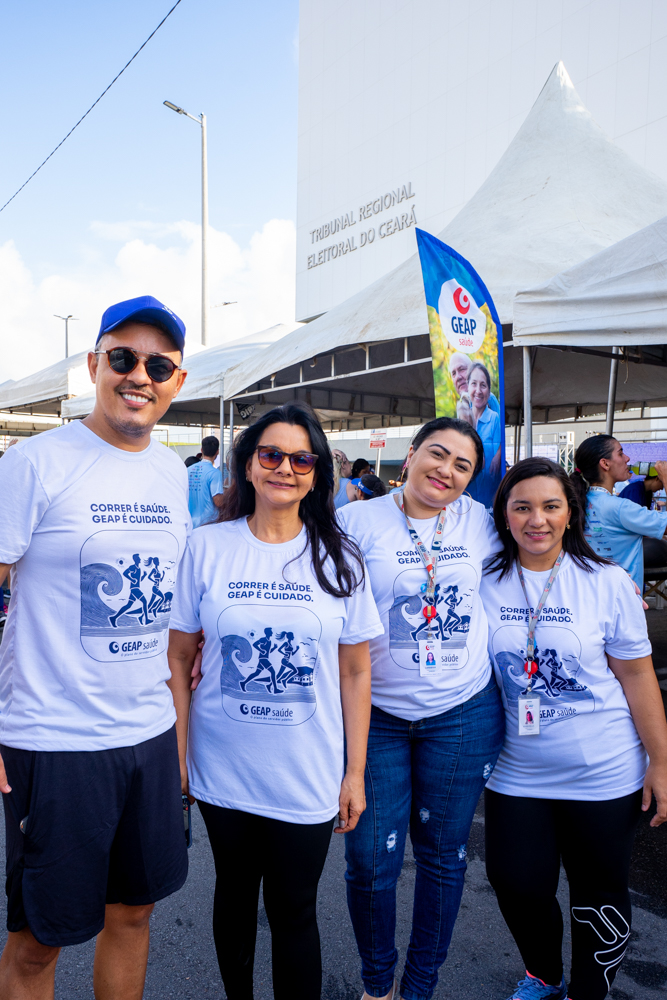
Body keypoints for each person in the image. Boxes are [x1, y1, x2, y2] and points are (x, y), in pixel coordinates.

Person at [0, 295, 194, 1000]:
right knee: (39, 943)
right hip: (53, 741)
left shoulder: (172, 474)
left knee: (134, 913)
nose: (138, 374)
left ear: (175, 381)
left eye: (158, 364)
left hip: (146, 734)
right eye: (122, 358)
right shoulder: (35, 463)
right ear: (94, 366)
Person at [167, 402, 383, 1000]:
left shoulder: (341, 558)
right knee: (232, 897)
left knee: (294, 910)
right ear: (248, 465)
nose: (284, 467)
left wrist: (355, 772)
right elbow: (179, 657)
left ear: (315, 472)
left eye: (300, 458)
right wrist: (178, 756)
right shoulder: (207, 547)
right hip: (223, 767)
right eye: (271, 454)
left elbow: (357, 671)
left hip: (306, 773)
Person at [481, 457, 667, 1000]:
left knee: (599, 893)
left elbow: (637, 678)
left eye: (550, 506)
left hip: (604, 770)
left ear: (570, 514)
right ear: (505, 515)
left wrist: (662, 762)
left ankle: (590, 992)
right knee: (515, 883)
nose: (536, 519)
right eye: (523, 507)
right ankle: (543, 972)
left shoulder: (605, 582)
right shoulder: (484, 580)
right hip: (516, 771)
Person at [339, 416, 505, 1000]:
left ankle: (419, 987)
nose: (447, 471)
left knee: (442, 857)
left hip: (462, 713)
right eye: (438, 454)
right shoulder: (355, 521)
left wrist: (611, 583)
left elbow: (545, 550)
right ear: (409, 456)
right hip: (375, 716)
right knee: (369, 861)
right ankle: (377, 984)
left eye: (462, 465)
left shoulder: (482, 522)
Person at [571, 436, 667, 590]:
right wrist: (666, 478)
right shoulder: (619, 507)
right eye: (621, 453)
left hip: (590, 593)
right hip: (622, 600)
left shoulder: (580, 501)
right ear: (605, 463)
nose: (627, 458)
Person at [187, 434, 223, 527]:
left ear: (202, 450)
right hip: (208, 525)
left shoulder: (188, 470)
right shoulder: (215, 473)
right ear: (217, 452)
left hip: (189, 523)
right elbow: (218, 501)